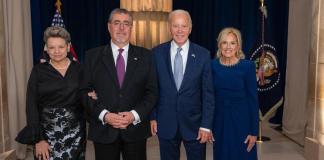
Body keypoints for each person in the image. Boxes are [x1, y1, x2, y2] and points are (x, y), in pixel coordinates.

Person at [81, 8, 158, 160]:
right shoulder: (92, 56)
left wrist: (134, 115)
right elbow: (84, 92)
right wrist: (105, 115)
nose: (121, 28)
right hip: (104, 130)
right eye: (117, 23)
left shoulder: (146, 56)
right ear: (109, 27)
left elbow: (152, 92)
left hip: (135, 130)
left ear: (131, 28)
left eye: (126, 24)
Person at [150, 9, 215, 160]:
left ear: (190, 29)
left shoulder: (203, 55)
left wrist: (206, 125)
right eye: (175, 26)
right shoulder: (156, 53)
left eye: (184, 26)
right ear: (169, 27)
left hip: (195, 125)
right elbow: (152, 88)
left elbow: (208, 94)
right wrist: (153, 117)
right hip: (165, 123)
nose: (180, 30)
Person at [15, 26, 86, 160]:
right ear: (46, 48)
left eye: (61, 46)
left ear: (68, 46)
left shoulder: (80, 69)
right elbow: (31, 106)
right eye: (52, 47)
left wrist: (94, 94)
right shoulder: (38, 71)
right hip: (46, 135)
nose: (56, 51)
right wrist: (39, 139)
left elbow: (87, 95)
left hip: (76, 134)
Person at [211, 27, 259, 160]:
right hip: (220, 123)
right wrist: (208, 126)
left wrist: (254, 132)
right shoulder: (212, 66)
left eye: (232, 43)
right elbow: (209, 99)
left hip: (242, 123)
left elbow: (253, 101)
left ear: (238, 46)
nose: (228, 47)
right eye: (224, 42)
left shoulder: (248, 67)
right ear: (219, 45)